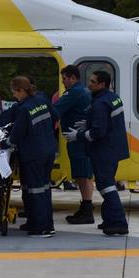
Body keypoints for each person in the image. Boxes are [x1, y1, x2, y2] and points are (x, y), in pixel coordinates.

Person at [63, 70, 129, 236]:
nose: (89, 84)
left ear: (102, 84)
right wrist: (88, 122)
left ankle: (119, 223)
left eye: (93, 82)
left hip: (104, 151)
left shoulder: (100, 103)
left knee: (107, 187)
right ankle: (109, 220)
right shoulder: (112, 98)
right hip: (114, 149)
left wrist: (77, 135)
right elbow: (107, 121)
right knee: (106, 184)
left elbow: (97, 133)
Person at [0, 76, 57, 237]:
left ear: (21, 90)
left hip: (33, 154)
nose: (14, 96)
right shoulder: (42, 100)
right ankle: (45, 224)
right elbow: (56, 117)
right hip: (48, 150)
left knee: (35, 190)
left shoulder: (24, 109)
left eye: (15, 92)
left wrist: (0, 144)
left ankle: (40, 228)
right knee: (44, 189)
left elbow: (16, 136)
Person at [53, 65, 95, 224]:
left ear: (72, 78)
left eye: (64, 78)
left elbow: (56, 110)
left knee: (82, 176)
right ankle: (86, 207)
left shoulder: (74, 92)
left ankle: (87, 210)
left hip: (77, 141)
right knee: (85, 175)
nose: (63, 82)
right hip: (82, 139)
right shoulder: (84, 90)